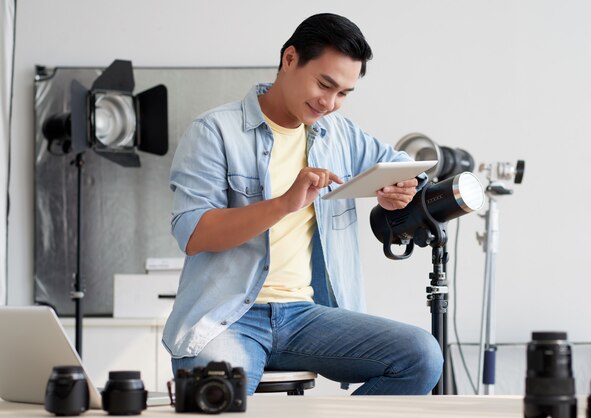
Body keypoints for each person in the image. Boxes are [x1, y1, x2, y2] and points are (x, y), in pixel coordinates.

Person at [162, 12, 443, 395]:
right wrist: (283, 204)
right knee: (216, 397)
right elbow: (193, 234)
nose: (329, 103)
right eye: (324, 85)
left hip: (305, 317)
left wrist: (402, 190)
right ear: (290, 59)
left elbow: (405, 169)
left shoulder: (338, 134)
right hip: (226, 318)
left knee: (421, 356)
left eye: (343, 93)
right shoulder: (215, 131)